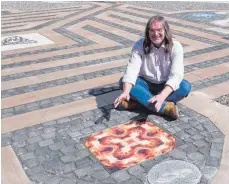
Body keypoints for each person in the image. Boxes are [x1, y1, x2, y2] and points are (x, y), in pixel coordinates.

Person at [114, 15, 191, 119]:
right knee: (124, 82)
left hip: (165, 85)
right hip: (145, 83)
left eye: (159, 30)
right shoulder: (139, 45)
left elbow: (176, 75)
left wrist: (162, 95)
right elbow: (132, 69)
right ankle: (165, 108)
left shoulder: (176, 46)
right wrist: (126, 92)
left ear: (166, 30)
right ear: (147, 31)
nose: (156, 34)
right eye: (152, 30)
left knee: (185, 87)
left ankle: (138, 103)